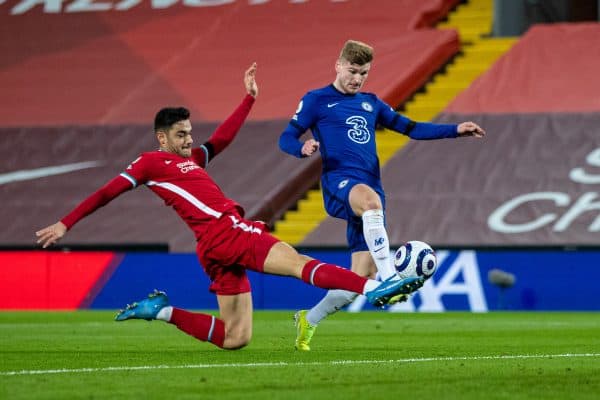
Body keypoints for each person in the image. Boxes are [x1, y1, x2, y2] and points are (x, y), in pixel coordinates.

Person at [35, 62, 423, 351]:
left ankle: (161, 311)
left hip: (213, 246)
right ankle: (376, 287)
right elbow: (107, 191)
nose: (189, 140)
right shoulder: (150, 163)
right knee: (299, 264)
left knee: (235, 338)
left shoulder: (190, 161)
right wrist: (66, 224)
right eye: (181, 135)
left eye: (189, 133)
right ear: (161, 137)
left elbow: (220, 140)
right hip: (227, 232)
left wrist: (248, 99)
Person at [279, 40, 485, 351]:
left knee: (358, 279)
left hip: (371, 188)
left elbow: (412, 128)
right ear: (338, 65)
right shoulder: (317, 100)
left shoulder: (371, 103)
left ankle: (310, 319)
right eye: (352, 71)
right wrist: (301, 148)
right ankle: (390, 275)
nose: (357, 79)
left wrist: (454, 130)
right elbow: (286, 136)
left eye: (363, 73)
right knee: (371, 205)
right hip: (340, 182)